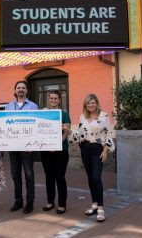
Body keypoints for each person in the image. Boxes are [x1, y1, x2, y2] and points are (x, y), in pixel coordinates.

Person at [75, 94, 115, 222]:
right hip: (85, 148)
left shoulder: (103, 116)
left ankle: (101, 208)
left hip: (97, 148)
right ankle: (94, 203)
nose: (90, 105)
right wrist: (70, 132)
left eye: (92, 103)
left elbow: (108, 133)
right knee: (90, 178)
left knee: (96, 177)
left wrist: (105, 151)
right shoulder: (82, 116)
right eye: (88, 103)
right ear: (85, 105)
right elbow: (79, 133)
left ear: (96, 103)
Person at [5, 80, 38, 214]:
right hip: (13, 147)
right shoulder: (8, 107)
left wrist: (33, 144)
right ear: (15, 90)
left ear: (26, 91)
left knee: (29, 175)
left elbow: (35, 125)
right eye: (18, 87)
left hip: (27, 147)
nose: (21, 90)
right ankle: (18, 201)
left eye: (23, 88)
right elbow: (5, 126)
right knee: (15, 174)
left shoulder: (33, 106)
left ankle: (30, 202)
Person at [41, 91, 71, 214]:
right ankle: (50, 202)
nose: (53, 100)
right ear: (49, 100)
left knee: (59, 177)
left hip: (60, 151)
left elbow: (66, 132)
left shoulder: (64, 114)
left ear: (59, 100)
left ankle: (62, 204)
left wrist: (57, 144)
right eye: (51, 98)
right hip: (46, 151)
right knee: (49, 177)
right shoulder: (44, 114)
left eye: (55, 98)